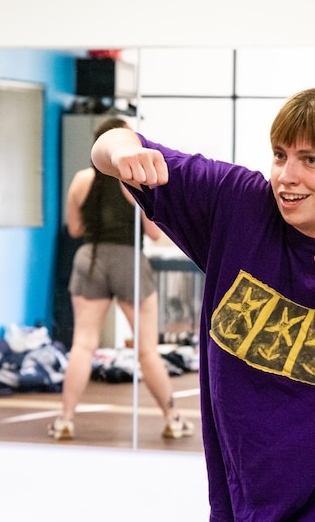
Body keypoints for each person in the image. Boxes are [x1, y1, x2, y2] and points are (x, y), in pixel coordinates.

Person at [91, 87, 315, 520]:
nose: (286, 175)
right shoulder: (239, 205)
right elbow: (107, 147)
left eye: (311, 159)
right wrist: (124, 150)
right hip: (242, 504)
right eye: (280, 155)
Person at [49, 117, 194, 441]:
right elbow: (155, 234)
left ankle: (65, 420)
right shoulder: (134, 180)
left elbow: (74, 230)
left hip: (90, 259)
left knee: (83, 345)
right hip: (129, 261)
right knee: (147, 351)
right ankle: (173, 418)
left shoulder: (80, 180)